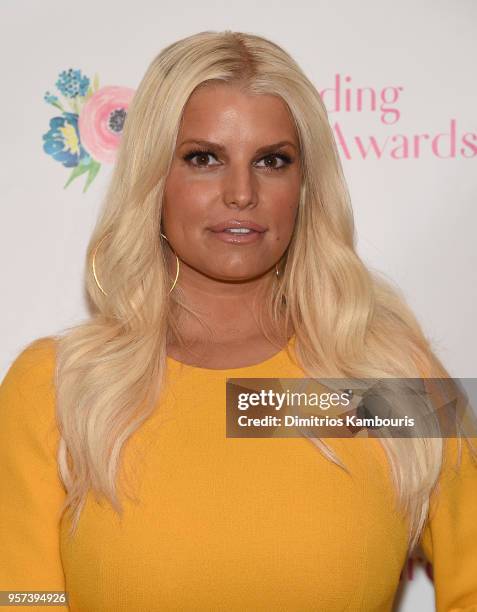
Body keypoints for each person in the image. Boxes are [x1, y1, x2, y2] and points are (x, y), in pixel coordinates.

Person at [1, 30, 476, 612]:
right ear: (154, 178)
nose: (242, 193)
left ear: (305, 187)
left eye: (272, 161)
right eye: (204, 158)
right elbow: (21, 598)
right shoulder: (55, 387)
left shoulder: (392, 376)